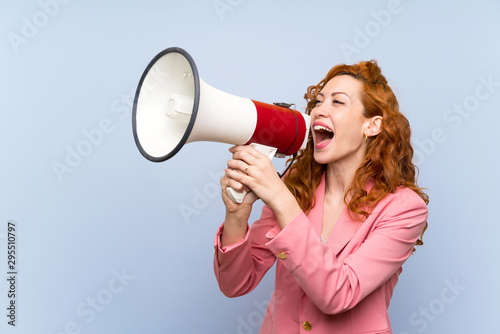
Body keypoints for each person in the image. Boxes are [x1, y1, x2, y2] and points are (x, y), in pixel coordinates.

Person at [213, 60, 429, 333]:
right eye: (318, 101)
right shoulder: (297, 186)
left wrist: (280, 199)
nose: (319, 111)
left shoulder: (404, 208)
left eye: (337, 102)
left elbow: (339, 294)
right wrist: (236, 215)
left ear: (372, 126)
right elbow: (235, 284)